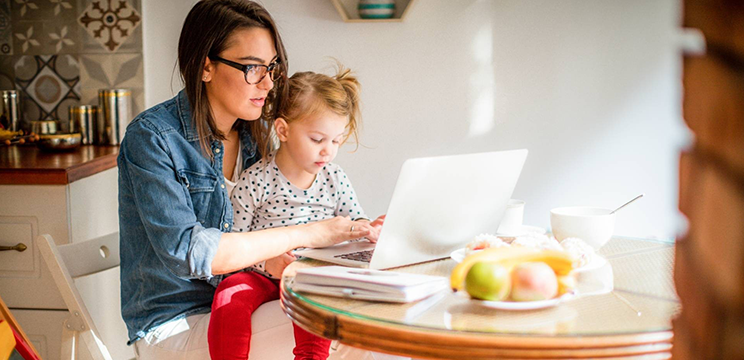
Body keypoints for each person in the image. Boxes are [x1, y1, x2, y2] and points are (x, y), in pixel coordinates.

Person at [117, 1, 377, 358]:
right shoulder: (153, 138)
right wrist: (309, 233)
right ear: (205, 66)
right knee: (357, 329)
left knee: (367, 314)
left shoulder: (254, 136)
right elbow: (191, 253)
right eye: (252, 68)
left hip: (249, 299)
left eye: (272, 68)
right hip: (179, 321)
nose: (269, 83)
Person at [208, 65, 383, 359]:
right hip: (260, 274)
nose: (328, 151)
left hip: (313, 273)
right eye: (317, 140)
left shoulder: (335, 178)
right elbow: (233, 244)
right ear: (283, 130)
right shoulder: (256, 180)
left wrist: (370, 228)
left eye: (336, 140)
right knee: (228, 295)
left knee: (318, 301)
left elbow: (354, 220)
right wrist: (267, 265)